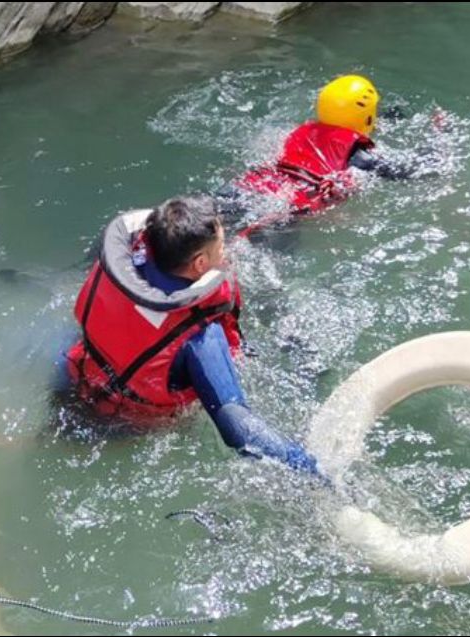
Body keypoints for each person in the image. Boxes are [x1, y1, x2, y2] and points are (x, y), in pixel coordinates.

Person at [63, 195, 320, 474]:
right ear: (199, 264)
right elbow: (238, 429)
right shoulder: (200, 336)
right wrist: (314, 472)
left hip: (76, 379)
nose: (226, 254)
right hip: (130, 428)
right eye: (221, 247)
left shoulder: (120, 267)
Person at [227, 74, 421, 234]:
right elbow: (412, 171)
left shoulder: (300, 132)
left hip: (247, 188)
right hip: (283, 211)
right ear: (368, 116)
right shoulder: (359, 157)